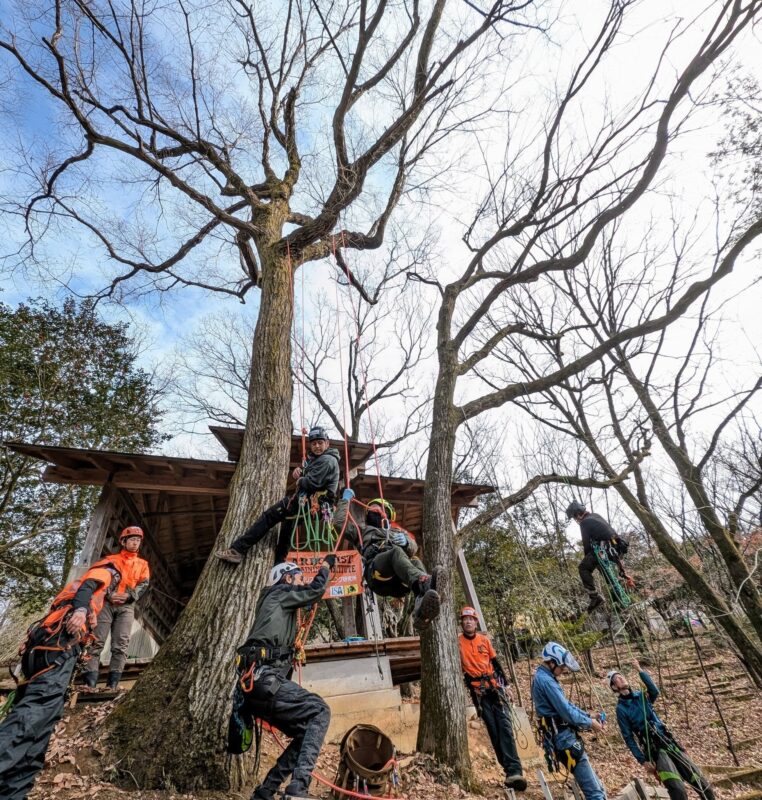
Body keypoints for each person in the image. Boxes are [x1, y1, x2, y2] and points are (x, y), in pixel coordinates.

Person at [0, 560, 122, 800]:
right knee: (32, 716)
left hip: (46, 650)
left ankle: (12, 793)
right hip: (59, 645)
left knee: (41, 727)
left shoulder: (83, 597)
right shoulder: (106, 572)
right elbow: (88, 587)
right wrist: (79, 611)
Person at [230, 557, 336, 800]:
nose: (299, 583)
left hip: (256, 686)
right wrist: (326, 567)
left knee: (305, 732)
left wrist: (290, 652)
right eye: (298, 578)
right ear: (287, 578)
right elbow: (316, 589)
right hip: (262, 679)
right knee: (320, 711)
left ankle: (265, 792)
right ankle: (298, 788)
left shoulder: (275, 604)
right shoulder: (280, 592)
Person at [217, 426, 341, 566]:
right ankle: (278, 566)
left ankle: (238, 550)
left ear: (327, 443)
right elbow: (310, 475)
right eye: (313, 443)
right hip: (309, 504)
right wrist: (300, 471)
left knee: (269, 516)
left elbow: (311, 483)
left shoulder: (327, 460)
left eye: (320, 442)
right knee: (286, 534)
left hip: (309, 502)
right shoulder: (318, 459)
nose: (317, 446)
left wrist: (300, 479)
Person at [333, 489, 441, 630]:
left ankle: (421, 609)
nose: (375, 508)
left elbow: (413, 548)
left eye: (380, 507)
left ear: (388, 515)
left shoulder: (397, 532)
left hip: (399, 582)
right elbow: (339, 523)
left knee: (415, 561)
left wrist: (407, 542)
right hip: (377, 574)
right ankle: (425, 584)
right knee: (395, 552)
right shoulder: (361, 531)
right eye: (373, 507)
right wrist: (345, 500)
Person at [609, 660, 715, 800]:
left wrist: (640, 670)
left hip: (669, 742)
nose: (621, 678)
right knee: (678, 790)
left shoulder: (641, 696)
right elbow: (628, 738)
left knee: (702, 784)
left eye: (621, 676)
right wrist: (643, 761)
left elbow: (654, 691)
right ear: (614, 687)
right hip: (655, 751)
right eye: (617, 679)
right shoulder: (621, 709)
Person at [458, 606, 526, 792]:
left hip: (496, 689)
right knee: (494, 732)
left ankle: (515, 770)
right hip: (479, 693)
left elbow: (496, 663)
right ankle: (508, 771)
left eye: (471, 619)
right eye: (465, 619)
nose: (468, 622)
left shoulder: (484, 640)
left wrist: (508, 685)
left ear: (476, 622)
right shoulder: (458, 643)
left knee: (505, 727)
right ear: (462, 622)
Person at [531, 641, 607, 800]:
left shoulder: (546, 677)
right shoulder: (546, 681)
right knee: (595, 793)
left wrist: (588, 716)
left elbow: (566, 705)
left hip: (563, 736)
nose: (563, 670)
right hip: (563, 738)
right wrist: (590, 723)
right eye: (562, 666)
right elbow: (566, 712)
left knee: (598, 788)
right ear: (552, 662)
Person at [83, 526, 150, 690]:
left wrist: (130, 596)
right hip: (106, 604)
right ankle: (89, 683)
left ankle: (112, 685)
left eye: (138, 540)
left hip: (126, 606)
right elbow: (99, 579)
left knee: (120, 645)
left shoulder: (142, 564)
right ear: (123, 541)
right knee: (96, 642)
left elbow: (144, 583)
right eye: (132, 539)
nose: (135, 543)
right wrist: (107, 594)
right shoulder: (110, 560)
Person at [566, 500, 623, 612]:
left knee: (583, 568)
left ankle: (595, 597)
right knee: (602, 568)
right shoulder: (596, 515)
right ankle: (618, 595)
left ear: (578, 514)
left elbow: (586, 544)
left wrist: (587, 559)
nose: (576, 520)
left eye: (574, 517)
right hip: (615, 548)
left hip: (605, 548)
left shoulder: (584, 523)